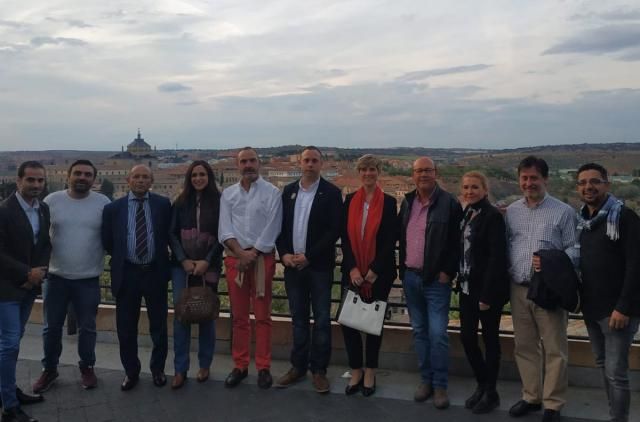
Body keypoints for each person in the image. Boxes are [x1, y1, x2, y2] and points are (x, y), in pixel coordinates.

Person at [505, 156, 578, 422]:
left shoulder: (563, 212)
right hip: (519, 288)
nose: (529, 183)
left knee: (554, 348)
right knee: (524, 346)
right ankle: (531, 396)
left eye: (534, 178)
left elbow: (575, 248)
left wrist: (551, 260)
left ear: (545, 179)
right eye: (524, 178)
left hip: (549, 290)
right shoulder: (512, 211)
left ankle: (553, 403)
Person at [32, 160, 110, 394]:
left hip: (88, 278)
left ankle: (87, 367)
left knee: (88, 328)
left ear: (94, 179)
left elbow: (111, 235)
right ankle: (50, 369)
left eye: (87, 174)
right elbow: (38, 235)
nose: (82, 177)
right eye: (78, 173)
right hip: (55, 277)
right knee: (51, 328)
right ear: (68, 176)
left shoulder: (103, 203)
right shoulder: (52, 200)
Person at [575, 163, 640, 422]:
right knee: (604, 367)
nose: (588, 187)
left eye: (595, 181)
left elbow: (636, 265)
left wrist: (623, 307)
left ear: (606, 184)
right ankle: (615, 415)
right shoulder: (584, 220)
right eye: (582, 182)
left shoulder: (624, 217)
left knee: (616, 373)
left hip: (617, 311)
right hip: (592, 309)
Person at [275, 146, 343, 393]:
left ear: (321, 164)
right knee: (299, 320)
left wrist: (309, 256)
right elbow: (279, 228)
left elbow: (333, 230)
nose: (310, 164)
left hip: (319, 268)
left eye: (315, 160)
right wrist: (283, 255)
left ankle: (319, 370)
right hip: (293, 267)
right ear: (300, 163)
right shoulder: (289, 192)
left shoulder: (332, 193)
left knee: (322, 320)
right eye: (306, 160)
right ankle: (298, 367)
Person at [398, 156, 462, 409]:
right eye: (418, 171)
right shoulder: (407, 202)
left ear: (436, 173)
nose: (423, 174)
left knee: (437, 335)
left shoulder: (449, 203)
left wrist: (448, 271)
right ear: (413, 175)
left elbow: (458, 242)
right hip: (411, 276)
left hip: (436, 279)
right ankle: (425, 380)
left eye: (427, 170)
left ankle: (440, 386)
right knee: (419, 332)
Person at [101, 164, 172, 391]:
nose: (141, 181)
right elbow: (108, 241)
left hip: (155, 272)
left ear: (151, 181)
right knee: (126, 327)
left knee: (159, 326)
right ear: (128, 180)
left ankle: (158, 369)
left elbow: (169, 235)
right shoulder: (113, 209)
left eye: (145, 177)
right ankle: (131, 372)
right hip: (127, 273)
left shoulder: (163, 205)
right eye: (136, 177)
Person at [218, 147, 282, 389]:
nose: (248, 165)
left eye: (252, 160)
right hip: (235, 260)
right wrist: (240, 253)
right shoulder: (229, 194)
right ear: (238, 165)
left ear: (259, 163)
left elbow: (273, 228)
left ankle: (263, 367)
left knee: (263, 316)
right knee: (240, 317)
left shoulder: (272, 193)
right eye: (243, 161)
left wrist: (252, 254)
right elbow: (224, 229)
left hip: (261, 260)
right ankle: (240, 365)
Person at [340, 154, 397, 397]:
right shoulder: (350, 200)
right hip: (353, 272)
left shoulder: (390, 202)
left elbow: (389, 240)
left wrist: (374, 270)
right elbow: (345, 238)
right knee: (349, 323)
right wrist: (353, 267)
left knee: (374, 324)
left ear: (378, 171)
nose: (368, 173)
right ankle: (356, 369)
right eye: (363, 169)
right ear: (359, 172)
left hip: (379, 273)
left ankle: (370, 371)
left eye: (372, 169)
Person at [0, 161, 51, 422]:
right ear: (18, 181)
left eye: (40, 180)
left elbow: (44, 244)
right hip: (6, 289)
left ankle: (7, 391)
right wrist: (25, 273)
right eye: (30, 180)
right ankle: (9, 407)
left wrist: (38, 273)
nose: (36, 185)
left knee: (13, 343)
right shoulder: (4, 210)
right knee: (8, 345)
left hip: (29, 288)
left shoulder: (43, 209)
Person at [456, 171, 509, 414]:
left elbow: (497, 259)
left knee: (490, 341)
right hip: (467, 288)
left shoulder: (492, 216)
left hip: (487, 292)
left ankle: (490, 391)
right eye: (466, 187)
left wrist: (487, 296)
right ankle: (482, 383)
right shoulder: (467, 213)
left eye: (474, 187)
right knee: (467, 337)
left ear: (485, 190)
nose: (469, 191)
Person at [168, 160, 223, 389]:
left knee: (206, 315)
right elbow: (171, 233)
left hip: (209, 267)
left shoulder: (220, 203)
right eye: (194, 175)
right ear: (189, 179)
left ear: (208, 177)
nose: (198, 178)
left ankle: (204, 365)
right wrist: (184, 260)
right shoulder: (180, 202)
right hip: (182, 266)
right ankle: (180, 369)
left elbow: (223, 235)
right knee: (182, 316)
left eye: (202, 174)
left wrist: (206, 261)